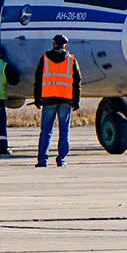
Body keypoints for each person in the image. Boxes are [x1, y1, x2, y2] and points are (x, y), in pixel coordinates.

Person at [34, 34, 82, 167]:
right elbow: (77, 82)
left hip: (48, 99)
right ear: (65, 46)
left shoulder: (44, 58)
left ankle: (42, 160)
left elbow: (38, 80)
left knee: (45, 131)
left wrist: (37, 98)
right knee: (64, 131)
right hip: (65, 100)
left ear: (53, 44)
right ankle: (61, 159)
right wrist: (76, 100)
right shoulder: (71, 60)